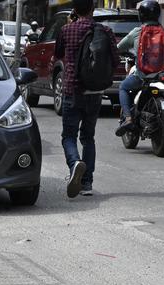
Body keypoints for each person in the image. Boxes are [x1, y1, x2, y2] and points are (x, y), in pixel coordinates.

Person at [54, 0, 111, 197]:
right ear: (93, 9)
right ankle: (86, 184)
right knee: (88, 137)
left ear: (75, 10)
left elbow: (58, 54)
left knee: (68, 136)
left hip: (72, 89)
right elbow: (116, 58)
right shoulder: (104, 30)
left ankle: (74, 163)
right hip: (95, 91)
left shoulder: (67, 29)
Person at [114, 0, 164, 136]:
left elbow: (118, 48)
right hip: (163, 76)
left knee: (123, 88)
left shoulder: (137, 32)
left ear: (141, 15)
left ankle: (129, 118)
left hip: (143, 76)